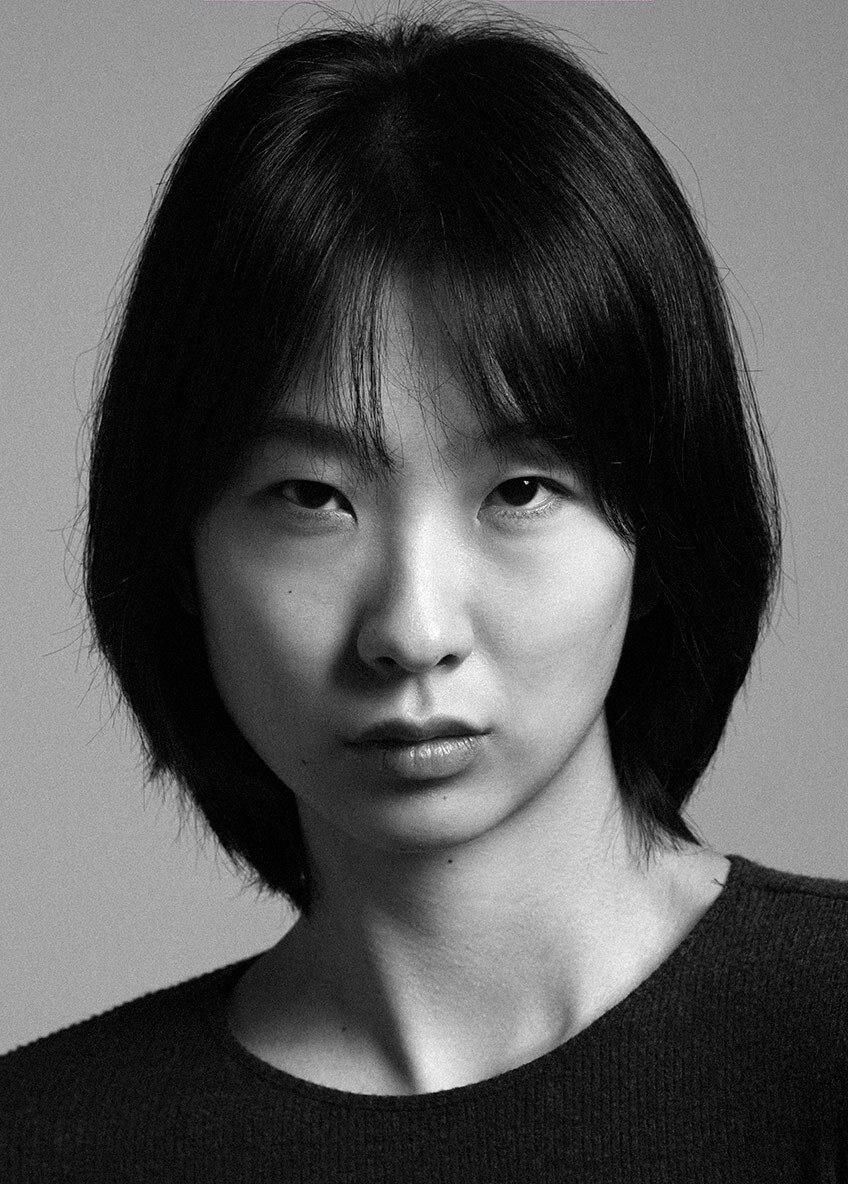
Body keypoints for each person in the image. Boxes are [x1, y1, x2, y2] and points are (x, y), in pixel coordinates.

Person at [1, 5, 845, 1181]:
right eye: (310, 496)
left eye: (519, 490)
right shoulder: (47, 1139)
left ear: (656, 532)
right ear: (178, 548)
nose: (411, 629)